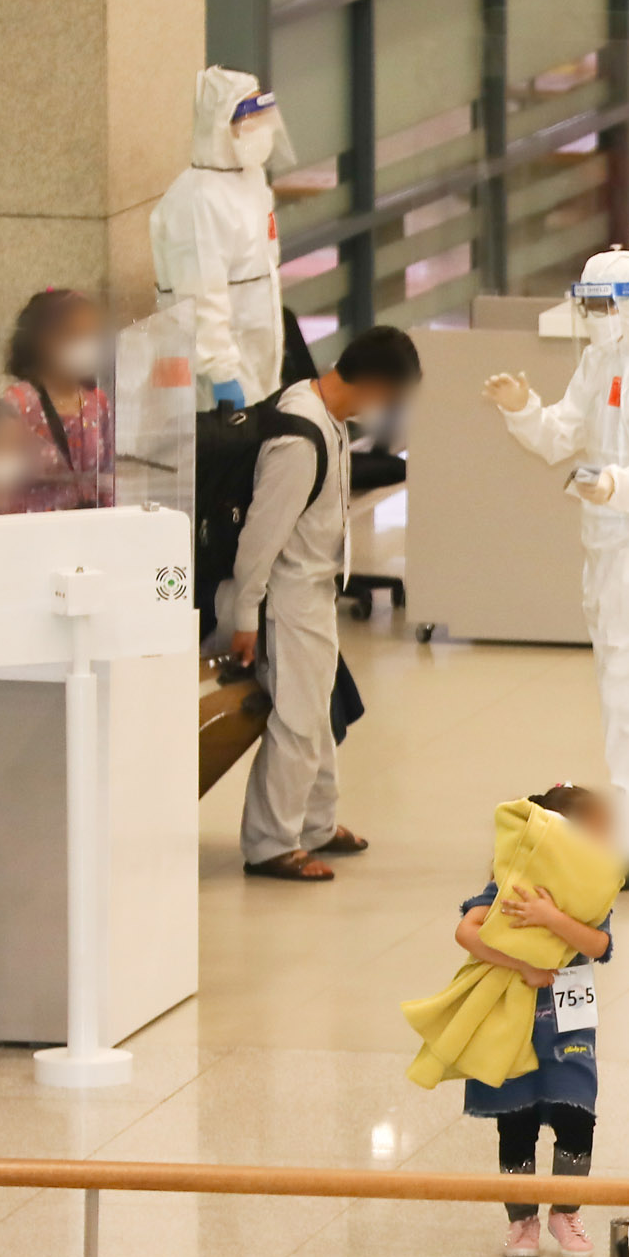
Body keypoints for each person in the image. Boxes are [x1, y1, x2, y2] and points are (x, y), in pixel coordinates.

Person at [482, 248, 629, 888]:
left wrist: (615, 484)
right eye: (586, 304)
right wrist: (524, 408)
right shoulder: (604, 358)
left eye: (601, 304)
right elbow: (563, 432)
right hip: (612, 548)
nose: (593, 316)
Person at [234, 326, 422, 881]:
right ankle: (270, 843)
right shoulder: (300, 438)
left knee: (316, 713)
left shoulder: (328, 418)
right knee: (296, 719)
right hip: (288, 595)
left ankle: (315, 823)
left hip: (316, 590)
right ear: (375, 385)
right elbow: (260, 538)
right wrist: (245, 617)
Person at [453, 785, 615, 1257]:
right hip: (517, 1027)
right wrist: (520, 965)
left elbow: (599, 945)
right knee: (516, 1121)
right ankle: (521, 1220)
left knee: (577, 1115)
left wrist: (550, 916)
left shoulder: (590, 891)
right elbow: (467, 930)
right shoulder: (510, 882)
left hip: (570, 1025)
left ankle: (565, 1213)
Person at [151, 67, 288, 411]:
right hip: (213, 375)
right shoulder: (198, 199)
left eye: (261, 118)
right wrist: (220, 371)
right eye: (248, 120)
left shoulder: (251, 180)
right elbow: (200, 295)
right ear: (220, 124)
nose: (258, 131)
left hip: (256, 358)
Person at [2, 289, 115, 511]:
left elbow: (109, 472)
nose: (87, 345)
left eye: (93, 336)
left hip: (91, 524)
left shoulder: (98, 402)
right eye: (75, 334)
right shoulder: (19, 402)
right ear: (44, 341)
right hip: (35, 527)